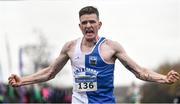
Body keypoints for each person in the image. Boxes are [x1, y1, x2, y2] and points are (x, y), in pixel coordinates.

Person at [8, 6, 180, 103]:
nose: (88, 25)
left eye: (92, 22)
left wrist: (164, 78)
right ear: (80, 26)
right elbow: (50, 72)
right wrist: (23, 80)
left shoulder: (111, 47)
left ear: (99, 24)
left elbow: (139, 71)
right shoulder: (69, 47)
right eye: (84, 22)